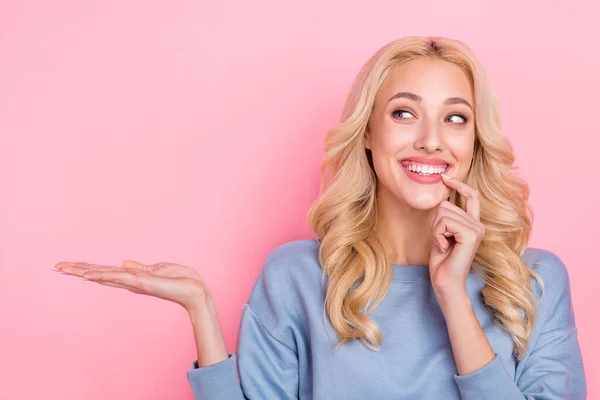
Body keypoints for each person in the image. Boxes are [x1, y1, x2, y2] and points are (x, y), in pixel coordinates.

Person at [54, 36, 587, 399]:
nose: (431, 138)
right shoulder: (298, 276)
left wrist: (452, 296)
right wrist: (202, 312)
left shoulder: (533, 282)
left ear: (473, 142)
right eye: (404, 113)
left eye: (455, 118)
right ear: (369, 139)